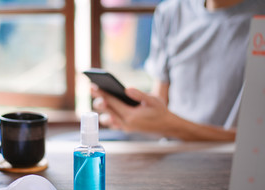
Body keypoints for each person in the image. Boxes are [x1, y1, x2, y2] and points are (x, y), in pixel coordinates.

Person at [91, 0, 265, 141]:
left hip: (229, 165)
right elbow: (160, 105)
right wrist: (136, 118)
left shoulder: (258, 20)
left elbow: (256, 144)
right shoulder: (170, 13)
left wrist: (169, 126)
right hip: (170, 152)